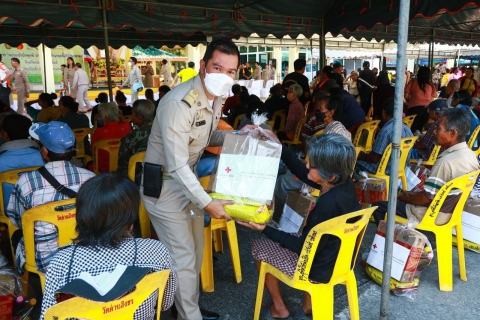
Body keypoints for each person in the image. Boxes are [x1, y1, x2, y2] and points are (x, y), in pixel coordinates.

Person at [141, 37, 240, 320]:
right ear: (203, 66)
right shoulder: (178, 103)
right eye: (218, 67)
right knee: (183, 258)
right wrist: (208, 203)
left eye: (231, 71)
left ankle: (186, 307)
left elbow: (209, 137)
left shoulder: (215, 97)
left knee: (195, 253)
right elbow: (176, 165)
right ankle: (189, 315)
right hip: (165, 188)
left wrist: (242, 135)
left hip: (190, 185)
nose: (224, 76)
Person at [239, 134, 359, 320]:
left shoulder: (327, 204)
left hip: (317, 268)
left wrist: (264, 229)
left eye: (312, 165)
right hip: (339, 259)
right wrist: (281, 148)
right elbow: (302, 172)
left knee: (258, 247)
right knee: (294, 231)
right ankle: (308, 307)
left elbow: (303, 247)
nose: (307, 166)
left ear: (331, 176)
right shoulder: (344, 184)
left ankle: (279, 308)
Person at [40, 173, 178, 320]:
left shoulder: (62, 263)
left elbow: (48, 316)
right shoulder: (156, 251)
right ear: (130, 218)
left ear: (81, 217)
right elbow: (165, 302)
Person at [6, 121, 95, 274]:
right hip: (87, 253)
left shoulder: (26, 182)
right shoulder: (91, 178)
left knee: (16, 236)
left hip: (45, 262)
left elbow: (18, 220)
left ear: (44, 151)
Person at [372, 108, 480, 225]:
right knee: (408, 196)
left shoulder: (445, 162)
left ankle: (395, 241)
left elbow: (426, 199)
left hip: (432, 215)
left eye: (438, 128)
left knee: (378, 207)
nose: (434, 132)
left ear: (453, 133)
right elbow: (433, 194)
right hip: (451, 213)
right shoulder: (470, 156)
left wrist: (405, 198)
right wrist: (414, 195)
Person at [356, 98, 413, 174]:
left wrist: (361, 156)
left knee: (354, 164)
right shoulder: (406, 128)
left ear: (383, 112)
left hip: (385, 170)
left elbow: (374, 159)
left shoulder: (386, 131)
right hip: (402, 168)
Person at [117, 99, 155, 181]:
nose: (131, 115)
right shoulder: (163, 131)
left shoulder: (132, 136)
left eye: (132, 113)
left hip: (136, 180)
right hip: (158, 176)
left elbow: (123, 163)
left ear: (139, 118)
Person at [90, 102, 131, 173]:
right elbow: (126, 123)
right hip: (122, 166)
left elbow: (92, 150)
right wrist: (120, 116)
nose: (99, 117)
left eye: (100, 115)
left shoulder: (98, 132)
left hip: (102, 169)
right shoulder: (126, 127)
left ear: (105, 117)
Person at [405, 66, 437, 132]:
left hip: (414, 110)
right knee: (420, 130)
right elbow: (431, 100)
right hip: (427, 111)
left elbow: (406, 96)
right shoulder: (431, 85)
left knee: (411, 130)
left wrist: (413, 98)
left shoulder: (412, 82)